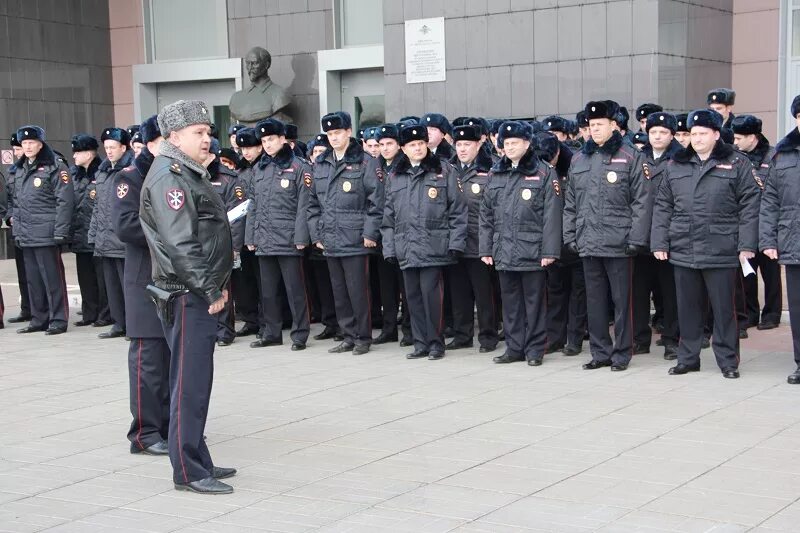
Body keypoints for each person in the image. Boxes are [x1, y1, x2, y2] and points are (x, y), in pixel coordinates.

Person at [139, 100, 237, 494]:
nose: (207, 138)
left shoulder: (187, 172)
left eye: (208, 132)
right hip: (187, 293)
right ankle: (189, 470)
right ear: (174, 137)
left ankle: (198, 457)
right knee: (189, 384)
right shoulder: (169, 177)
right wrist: (209, 288)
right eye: (199, 132)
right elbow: (181, 243)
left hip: (195, 289)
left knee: (197, 381)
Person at [651, 109, 760, 379]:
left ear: (715, 134)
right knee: (687, 307)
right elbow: (663, 205)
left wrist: (747, 244)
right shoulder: (676, 164)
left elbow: (750, 205)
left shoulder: (737, 163)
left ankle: (727, 360)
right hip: (683, 247)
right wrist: (659, 241)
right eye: (692, 134)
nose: (697, 139)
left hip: (721, 247)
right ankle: (688, 357)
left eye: (702, 134)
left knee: (724, 309)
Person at [563, 101, 649, 372]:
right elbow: (571, 203)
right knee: (595, 301)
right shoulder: (579, 159)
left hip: (619, 243)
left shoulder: (631, 156)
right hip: (588, 243)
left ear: (614, 125)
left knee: (622, 302)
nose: (595, 130)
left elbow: (641, 202)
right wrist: (571, 235)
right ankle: (600, 352)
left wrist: (636, 238)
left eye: (600, 124)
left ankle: (622, 352)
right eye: (591, 126)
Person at [382, 124, 467, 360]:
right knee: (413, 299)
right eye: (412, 145)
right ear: (403, 148)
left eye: (420, 143)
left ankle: (436, 343)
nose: (417, 148)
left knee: (432, 297)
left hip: (434, 246)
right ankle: (420, 343)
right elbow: (388, 216)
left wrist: (455, 243)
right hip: (406, 247)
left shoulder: (444, 170)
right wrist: (389, 247)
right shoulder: (395, 175)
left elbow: (458, 210)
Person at [480, 121, 562, 365]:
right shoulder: (496, 172)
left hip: (533, 250)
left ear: (527, 144)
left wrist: (549, 250)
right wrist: (485, 247)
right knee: (511, 303)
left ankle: (535, 348)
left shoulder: (544, 172)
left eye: (516, 143)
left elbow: (552, 215)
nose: (511, 147)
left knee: (534, 303)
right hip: (504, 250)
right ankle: (514, 348)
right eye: (507, 143)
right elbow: (486, 214)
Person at [111, 115, 170, 456]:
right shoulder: (130, 178)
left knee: (172, 359)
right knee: (148, 361)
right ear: (149, 143)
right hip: (145, 281)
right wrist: (172, 233)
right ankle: (145, 433)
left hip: (175, 281)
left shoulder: (176, 175)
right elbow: (127, 227)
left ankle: (167, 425)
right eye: (165, 140)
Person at [308, 111, 384, 356]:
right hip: (330, 239)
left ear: (349, 132)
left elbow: (376, 202)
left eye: (338, 133)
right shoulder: (321, 163)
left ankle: (363, 336)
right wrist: (316, 234)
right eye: (329, 134)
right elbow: (312, 204)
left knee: (358, 292)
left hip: (355, 237)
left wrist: (370, 233)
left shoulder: (365, 162)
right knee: (339, 292)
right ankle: (347, 335)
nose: (334, 138)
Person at [245, 118, 311, 350]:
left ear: (283, 139)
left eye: (271, 139)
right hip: (264, 239)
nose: (268, 144)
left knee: (295, 291)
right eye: (264, 141)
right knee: (269, 292)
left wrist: (302, 237)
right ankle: (272, 333)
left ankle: (300, 334)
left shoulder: (299, 167)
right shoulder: (258, 169)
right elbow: (252, 205)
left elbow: (304, 205)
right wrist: (250, 237)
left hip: (289, 240)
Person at [12, 125, 74, 335]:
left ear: (40, 144)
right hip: (27, 234)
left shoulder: (55, 166)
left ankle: (58, 319)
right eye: (24, 143)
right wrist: (18, 231)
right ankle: (39, 318)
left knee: (52, 279)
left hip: (47, 233)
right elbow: (17, 203)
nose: (28, 146)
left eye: (32, 143)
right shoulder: (19, 169)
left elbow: (65, 201)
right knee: (34, 279)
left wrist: (61, 231)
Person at [447, 124, 499, 353]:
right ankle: (462, 334)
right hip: (455, 242)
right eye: (458, 145)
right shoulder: (447, 169)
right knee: (459, 293)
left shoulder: (490, 169)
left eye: (467, 144)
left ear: (479, 144)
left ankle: (488, 336)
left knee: (483, 293)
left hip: (480, 242)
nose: (462, 149)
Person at [637, 112, 683, 360]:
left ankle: (672, 340)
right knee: (639, 291)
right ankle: (640, 339)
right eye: (653, 132)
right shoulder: (637, 156)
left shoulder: (682, 158)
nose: (657, 136)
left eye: (663, 132)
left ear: (672, 134)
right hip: (642, 236)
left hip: (669, 237)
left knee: (670, 292)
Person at [761, 95, 800, 384]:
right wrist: (768, 239)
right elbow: (770, 200)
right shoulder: (781, 155)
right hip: (793, 239)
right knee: (797, 308)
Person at [731, 114, 782, 330]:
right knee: (746, 274)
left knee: (770, 274)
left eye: (739, 138)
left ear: (753, 137)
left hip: (768, 224)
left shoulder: (774, 157)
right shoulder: (734, 157)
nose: (735, 142)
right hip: (744, 224)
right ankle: (751, 312)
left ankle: (771, 314)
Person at [90, 127, 133, 339]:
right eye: (106, 147)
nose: (108, 151)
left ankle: (133, 324)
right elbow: (97, 207)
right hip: (105, 239)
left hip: (123, 239)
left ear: (123, 147)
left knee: (129, 287)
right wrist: (93, 234)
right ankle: (119, 323)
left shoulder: (130, 170)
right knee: (112, 287)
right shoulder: (103, 171)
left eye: (112, 147)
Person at [373, 124, 412, 346]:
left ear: (399, 145)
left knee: (405, 287)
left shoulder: (404, 166)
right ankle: (389, 328)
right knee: (386, 285)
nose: (385, 148)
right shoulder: (375, 166)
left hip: (403, 234)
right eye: (381, 145)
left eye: (389, 144)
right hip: (382, 234)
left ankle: (408, 329)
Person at [69, 134, 111, 327]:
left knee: (101, 279)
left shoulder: (101, 172)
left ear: (88, 153)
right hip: (79, 234)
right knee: (85, 278)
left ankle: (104, 314)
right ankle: (89, 313)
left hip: (96, 234)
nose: (74, 156)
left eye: (77, 152)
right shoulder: (74, 175)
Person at [229, 127, 263, 338]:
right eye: (243, 149)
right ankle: (251, 320)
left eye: (250, 147)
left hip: (261, 233)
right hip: (242, 233)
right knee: (245, 282)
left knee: (263, 282)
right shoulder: (239, 173)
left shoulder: (265, 168)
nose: (246, 153)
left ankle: (267, 319)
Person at [5, 133, 32, 323]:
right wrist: (9, 217)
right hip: (18, 228)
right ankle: (27, 309)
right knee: (23, 272)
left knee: (36, 273)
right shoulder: (14, 171)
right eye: (15, 149)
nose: (16, 153)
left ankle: (40, 309)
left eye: (18, 149)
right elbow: (8, 200)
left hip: (33, 228)